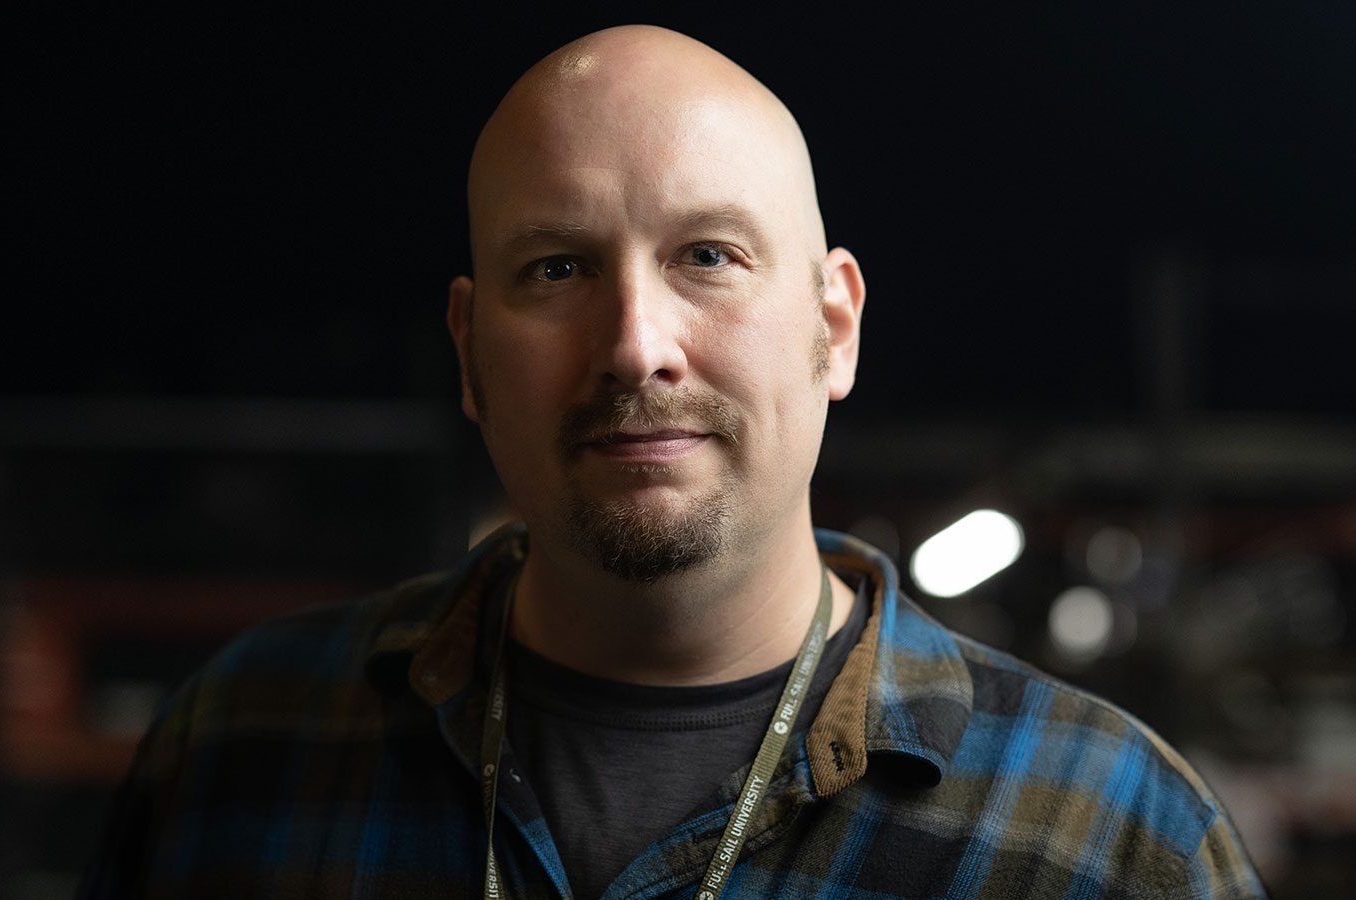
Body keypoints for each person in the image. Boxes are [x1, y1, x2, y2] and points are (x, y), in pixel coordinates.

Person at [81, 24, 1266, 900]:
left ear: (832, 327)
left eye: (706, 255)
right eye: (555, 268)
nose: (636, 345)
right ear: (467, 350)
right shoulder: (237, 751)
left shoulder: (1108, 839)